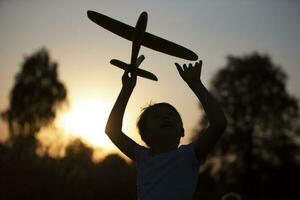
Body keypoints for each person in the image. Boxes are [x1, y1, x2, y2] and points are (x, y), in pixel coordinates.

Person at [105, 60, 227, 200]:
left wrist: (196, 84)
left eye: (171, 115)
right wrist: (126, 89)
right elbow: (112, 130)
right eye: (157, 116)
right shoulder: (142, 157)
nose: (166, 118)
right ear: (146, 134)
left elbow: (219, 123)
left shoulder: (189, 155)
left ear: (182, 131)